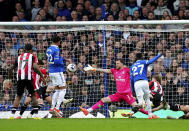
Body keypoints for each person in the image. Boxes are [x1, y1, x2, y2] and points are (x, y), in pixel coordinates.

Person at [79, 59, 149, 116]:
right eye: (116, 63)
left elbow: (136, 72)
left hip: (127, 94)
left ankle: (150, 114)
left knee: (137, 107)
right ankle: (87, 111)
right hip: (118, 94)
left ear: (122, 64)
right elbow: (105, 70)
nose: (116, 65)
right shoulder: (114, 70)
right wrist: (94, 69)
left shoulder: (127, 70)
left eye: (118, 63)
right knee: (103, 100)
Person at [8, 44, 46, 119]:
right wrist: (42, 77)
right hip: (28, 78)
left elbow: (10, 68)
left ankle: (12, 115)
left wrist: (9, 79)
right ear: (31, 50)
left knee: (19, 96)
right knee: (33, 95)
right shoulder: (32, 56)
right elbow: (35, 68)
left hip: (20, 78)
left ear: (24, 49)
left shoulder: (19, 57)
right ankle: (36, 115)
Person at [46, 35, 72, 117]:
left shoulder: (49, 49)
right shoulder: (56, 49)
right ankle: (57, 108)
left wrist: (65, 59)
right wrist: (65, 64)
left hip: (51, 71)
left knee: (57, 90)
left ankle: (52, 108)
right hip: (58, 71)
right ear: (58, 41)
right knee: (63, 89)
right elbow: (57, 61)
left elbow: (53, 59)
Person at [130, 53, 162, 119]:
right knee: (147, 99)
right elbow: (151, 61)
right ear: (141, 57)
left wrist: (133, 90)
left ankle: (132, 112)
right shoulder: (143, 62)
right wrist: (159, 55)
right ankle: (150, 115)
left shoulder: (132, 66)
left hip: (137, 83)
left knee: (140, 102)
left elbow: (131, 79)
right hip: (144, 82)